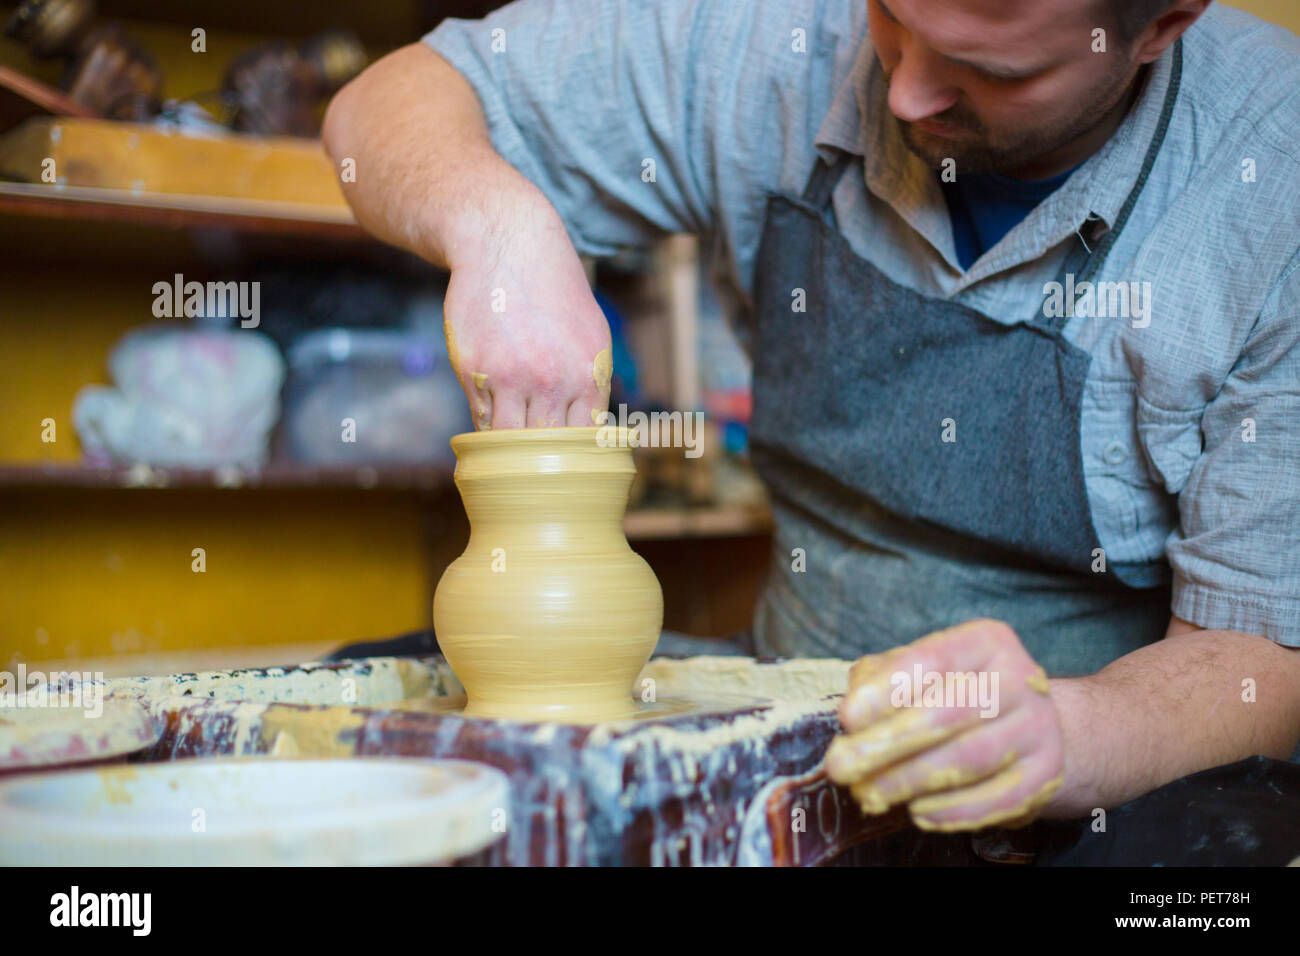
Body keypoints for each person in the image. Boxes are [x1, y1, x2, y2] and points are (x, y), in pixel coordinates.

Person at [323, 0, 1300, 833]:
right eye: (890, 16)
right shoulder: (780, 35)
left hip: (1095, 764)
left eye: (984, 69)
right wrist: (497, 224)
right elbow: (384, 104)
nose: (908, 91)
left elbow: (1262, 660)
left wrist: (1066, 737)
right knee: (368, 695)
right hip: (801, 699)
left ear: (1160, 25)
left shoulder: (1272, 174)